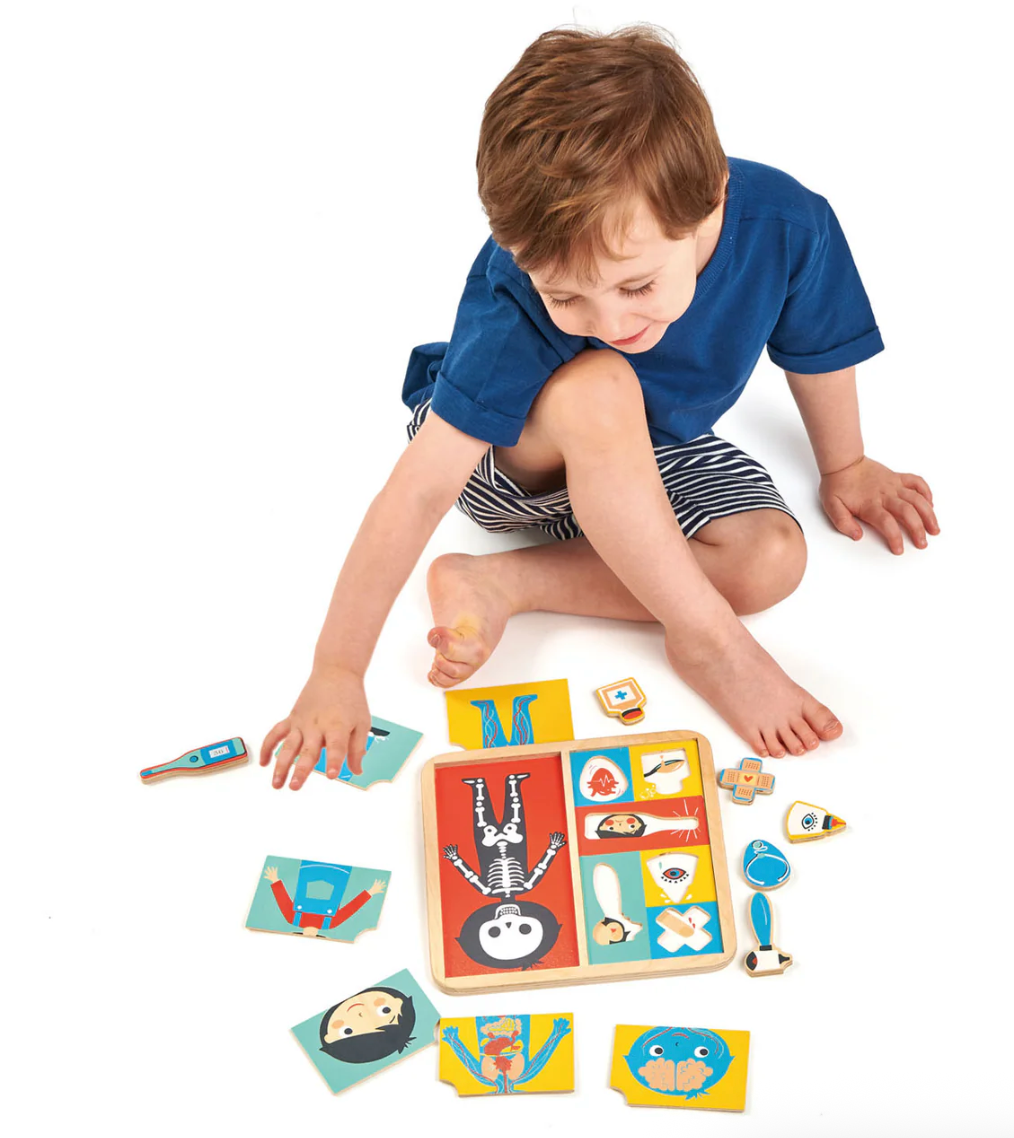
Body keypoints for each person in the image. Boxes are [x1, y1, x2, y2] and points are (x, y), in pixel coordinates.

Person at [261, 25, 938, 790]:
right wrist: (337, 669)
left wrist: (844, 465)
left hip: (648, 456)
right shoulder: (515, 292)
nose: (612, 323)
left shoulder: (789, 224)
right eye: (566, 296)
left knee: (771, 560)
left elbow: (818, 347)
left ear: (710, 195)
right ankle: (706, 638)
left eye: (638, 287)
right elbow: (419, 487)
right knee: (602, 379)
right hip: (508, 460)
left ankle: (505, 584)